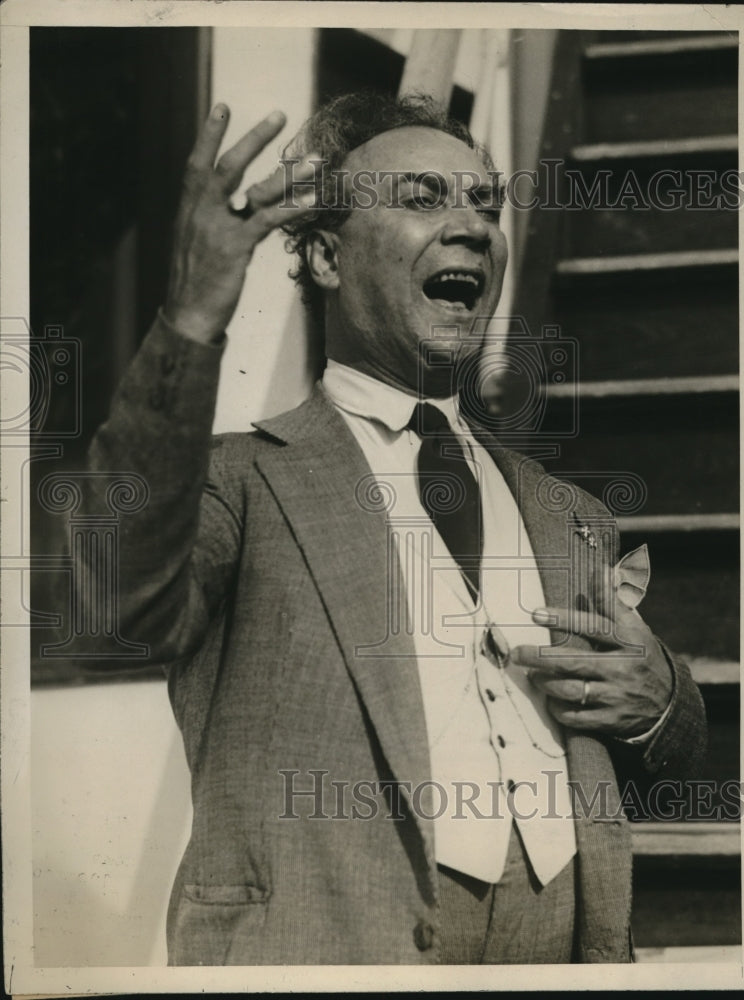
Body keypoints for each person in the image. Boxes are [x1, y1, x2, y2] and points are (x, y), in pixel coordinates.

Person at [81, 91, 706, 965]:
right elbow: (118, 600)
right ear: (327, 256)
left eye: (485, 204)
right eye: (421, 200)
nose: (471, 227)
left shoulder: (572, 514)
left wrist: (661, 705)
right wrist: (193, 317)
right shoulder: (238, 482)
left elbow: (668, 754)